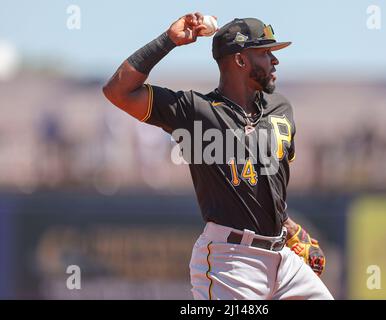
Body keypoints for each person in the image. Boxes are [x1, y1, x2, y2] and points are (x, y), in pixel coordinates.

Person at [103, 12, 333, 300]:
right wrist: (168, 41)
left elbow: (266, 190)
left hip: (283, 260)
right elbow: (118, 91)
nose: (275, 61)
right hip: (231, 261)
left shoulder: (280, 109)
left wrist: (289, 227)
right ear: (240, 60)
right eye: (265, 52)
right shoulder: (195, 112)